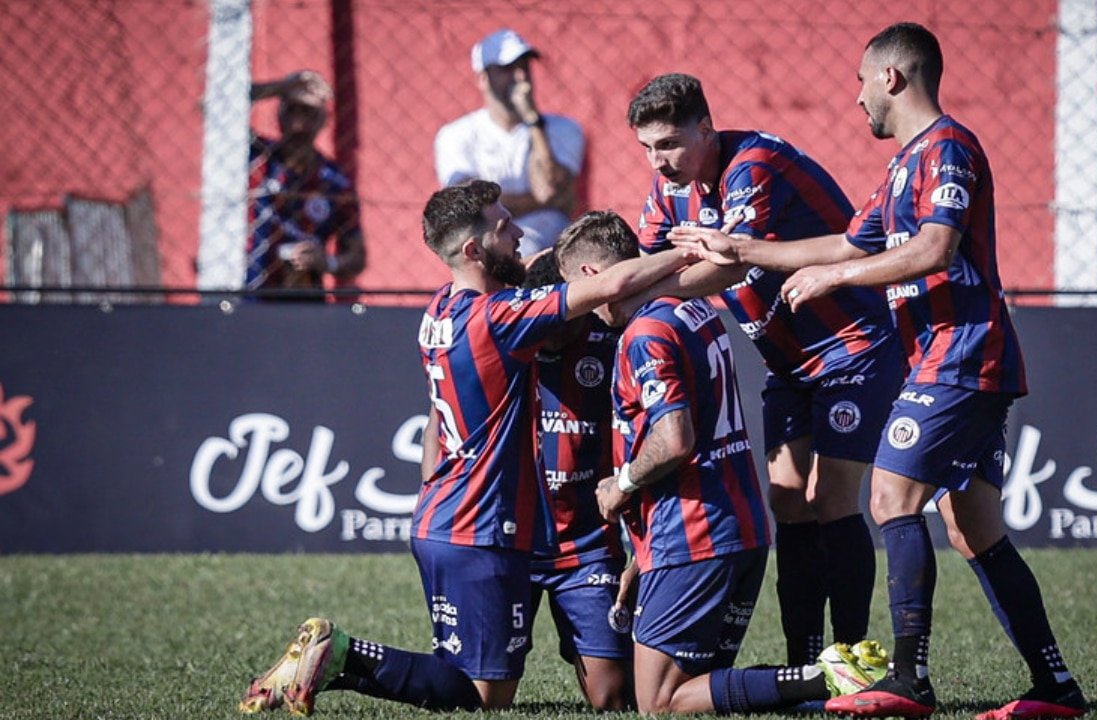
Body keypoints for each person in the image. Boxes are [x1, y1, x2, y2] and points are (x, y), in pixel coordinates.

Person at [671, 23, 1088, 720]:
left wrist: (837, 276)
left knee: (890, 500)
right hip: (946, 357)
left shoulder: (947, 147)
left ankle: (907, 680)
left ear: (891, 77)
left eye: (861, 80)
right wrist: (741, 246)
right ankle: (1057, 687)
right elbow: (844, 238)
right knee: (974, 529)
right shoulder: (901, 168)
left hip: (960, 352)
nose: (856, 96)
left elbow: (934, 248)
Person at [239, 181, 695, 715]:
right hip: (481, 526)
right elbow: (607, 285)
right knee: (481, 696)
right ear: (475, 250)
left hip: (444, 517)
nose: (519, 231)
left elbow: (437, 422)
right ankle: (339, 652)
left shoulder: (442, 309)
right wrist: (697, 249)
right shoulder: (498, 319)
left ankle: (335, 657)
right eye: (506, 226)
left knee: (485, 685)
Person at [555, 211, 888, 715]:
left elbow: (673, 440)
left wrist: (619, 483)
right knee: (704, 688)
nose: (580, 309)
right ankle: (823, 689)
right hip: (740, 531)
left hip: (692, 536)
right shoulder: (693, 311)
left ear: (588, 278)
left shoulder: (644, 333)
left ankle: (828, 678)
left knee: (659, 703)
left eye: (570, 289)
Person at [622, 73, 903, 666]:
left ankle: (851, 656)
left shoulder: (756, 163)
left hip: (853, 347)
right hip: (789, 365)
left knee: (830, 498)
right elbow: (646, 268)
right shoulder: (666, 195)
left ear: (706, 128)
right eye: (647, 147)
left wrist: (645, 294)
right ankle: (805, 658)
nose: (658, 161)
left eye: (669, 143)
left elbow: (727, 266)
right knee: (787, 501)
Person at [520, 253, 633, 710]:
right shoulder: (506, 333)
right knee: (480, 696)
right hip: (512, 544)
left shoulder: (613, 341)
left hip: (588, 545)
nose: (548, 336)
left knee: (613, 698)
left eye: (559, 321)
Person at [434, 28, 584, 257]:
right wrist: (541, 201)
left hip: (550, 247)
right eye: (507, 69)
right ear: (483, 78)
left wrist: (533, 121)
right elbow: (468, 208)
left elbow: (549, 188)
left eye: (524, 67)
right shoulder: (456, 135)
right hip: (488, 243)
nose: (521, 77)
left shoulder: (562, 128)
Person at [245, 70, 366, 300]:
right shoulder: (256, 157)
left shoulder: (335, 182)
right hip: (246, 292)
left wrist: (327, 262)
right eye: (291, 110)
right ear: (278, 115)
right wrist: (280, 87)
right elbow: (217, 107)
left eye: (309, 113)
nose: (299, 124)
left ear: (323, 121)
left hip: (304, 298)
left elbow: (357, 256)